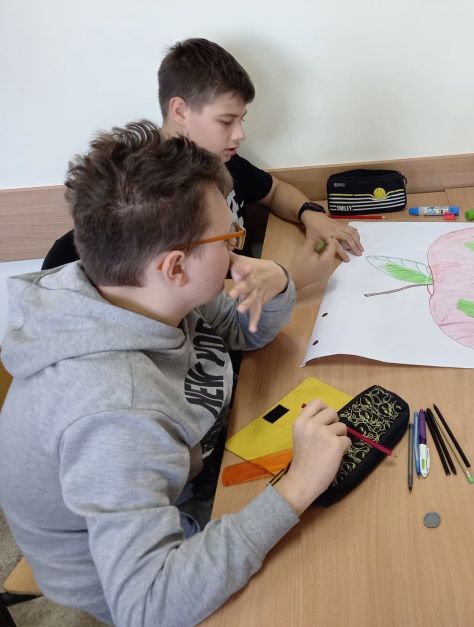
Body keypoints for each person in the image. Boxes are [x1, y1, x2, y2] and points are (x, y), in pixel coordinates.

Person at [0, 122, 350, 625]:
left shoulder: (140, 290)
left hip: (187, 475)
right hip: (142, 574)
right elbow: (150, 606)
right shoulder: (114, 412)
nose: (236, 251)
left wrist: (276, 280)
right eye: (229, 237)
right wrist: (296, 488)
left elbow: (245, 332)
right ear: (174, 266)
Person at [42, 37, 363, 272]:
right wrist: (290, 277)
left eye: (242, 119)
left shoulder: (220, 158)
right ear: (180, 110)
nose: (240, 134)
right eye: (226, 121)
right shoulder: (153, 199)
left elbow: (274, 190)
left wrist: (310, 213)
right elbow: (205, 303)